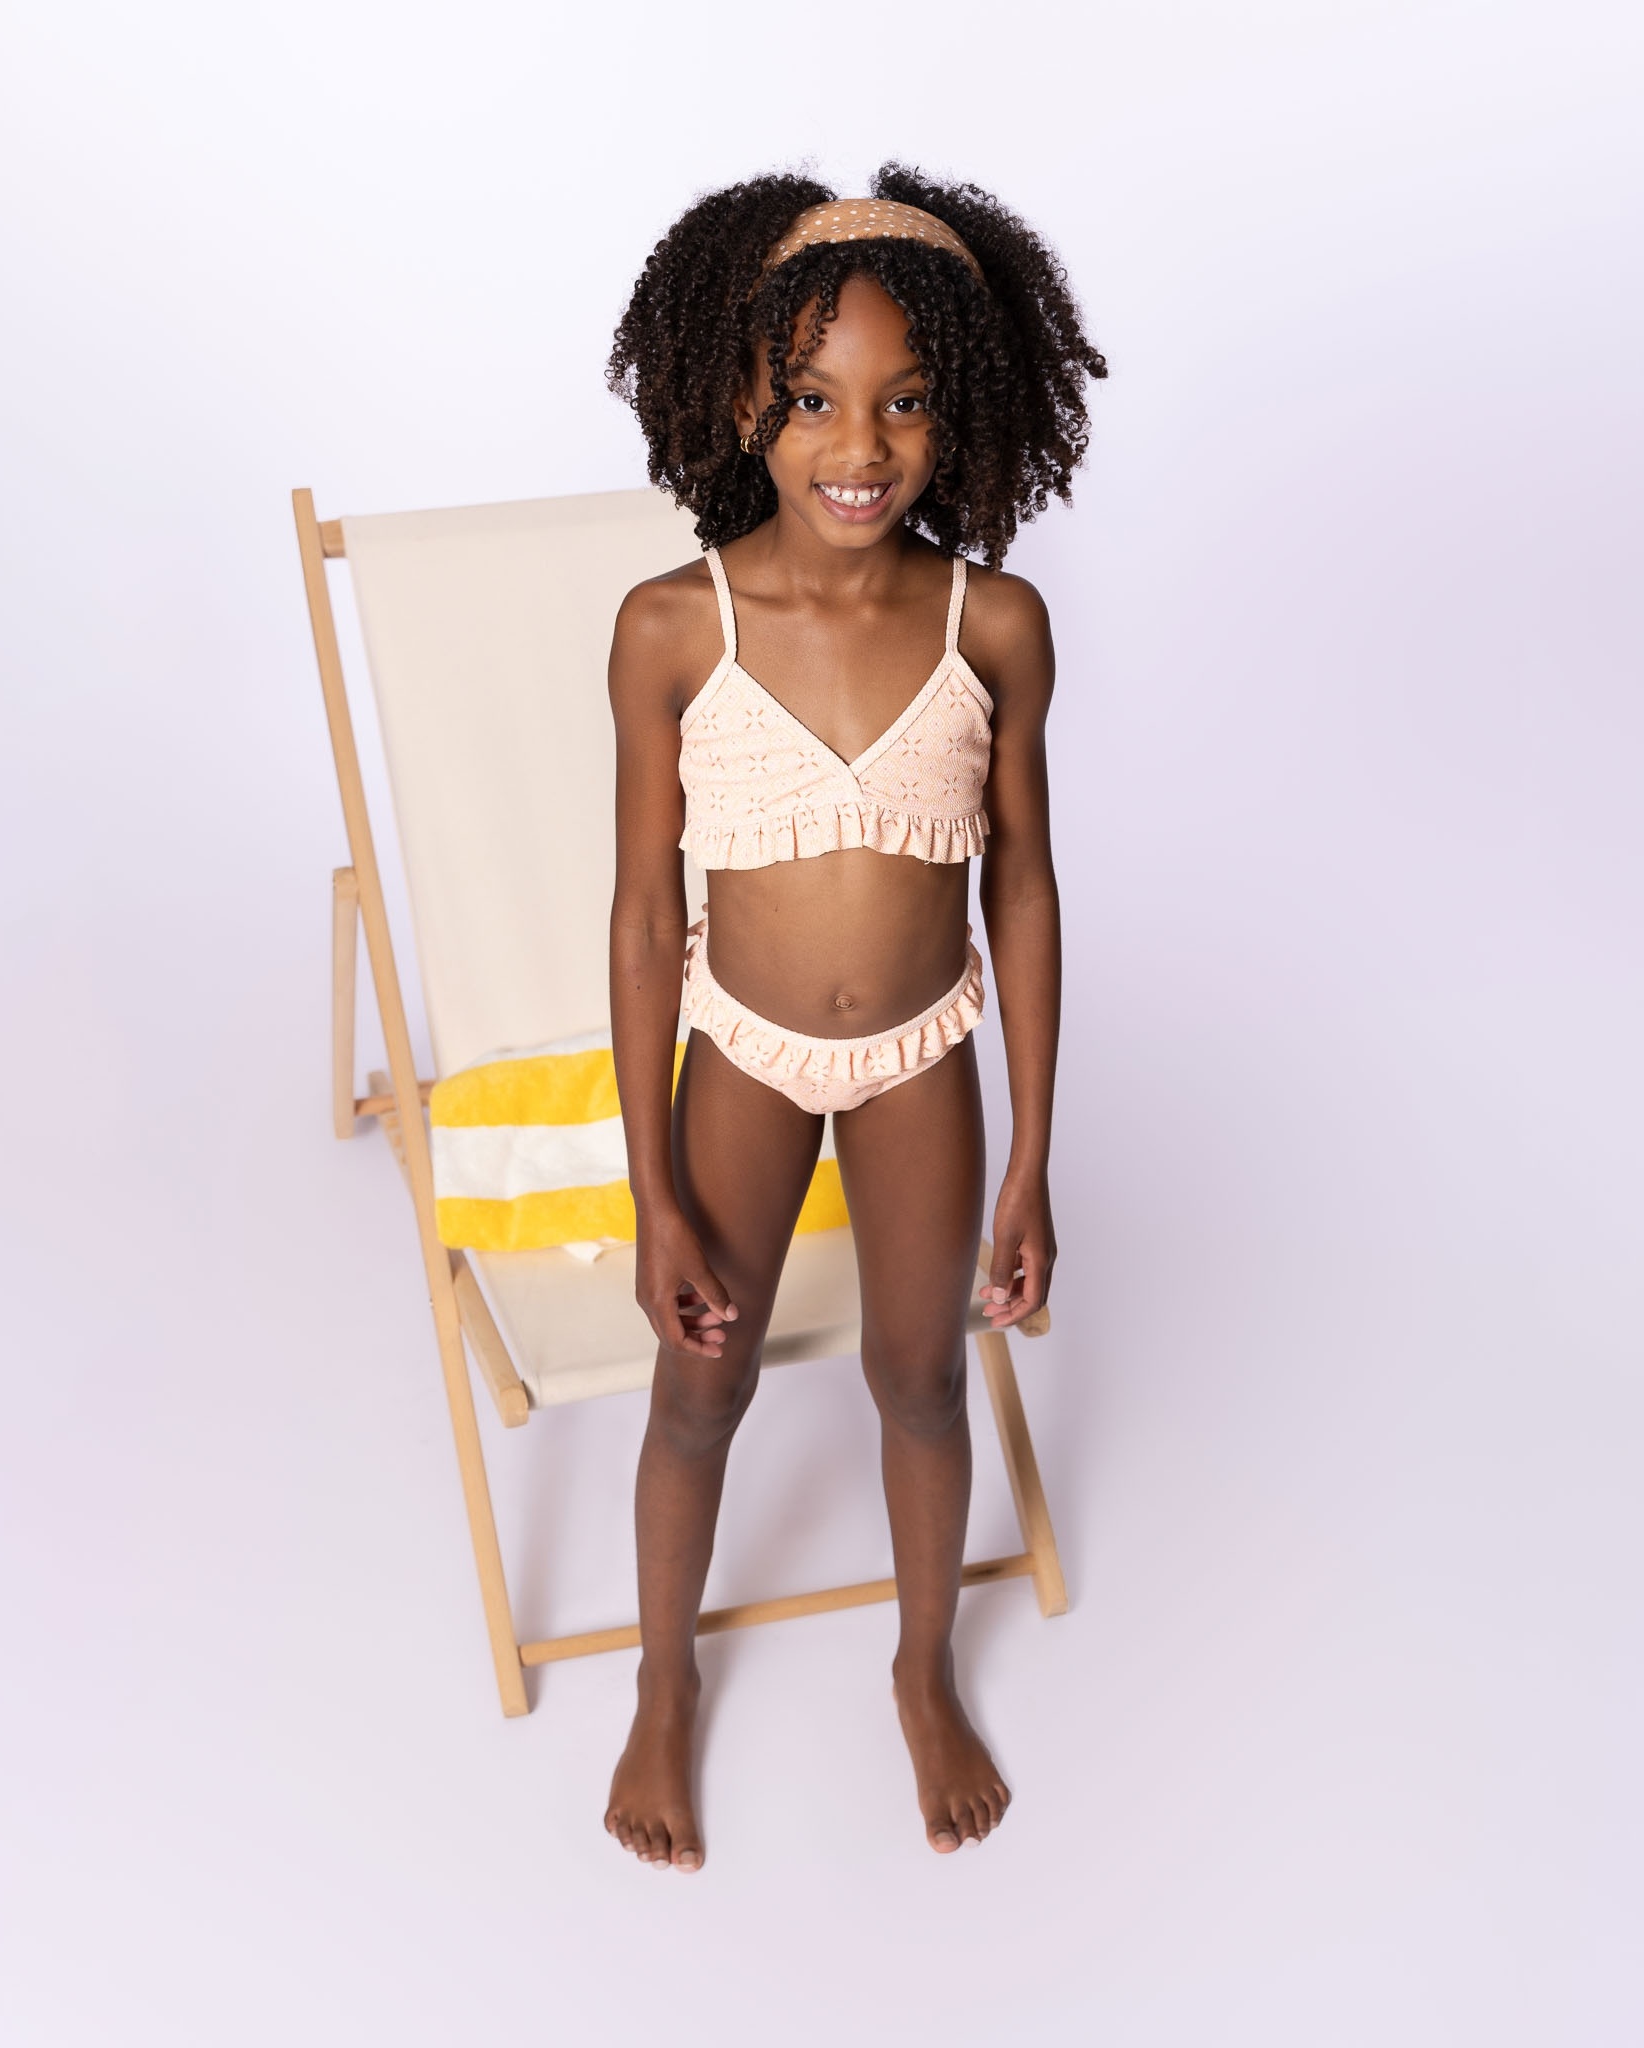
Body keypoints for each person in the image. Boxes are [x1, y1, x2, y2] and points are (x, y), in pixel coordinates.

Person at [601, 166, 1105, 1868]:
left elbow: (1022, 891)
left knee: (920, 1378)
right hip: (739, 1053)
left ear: (959, 408)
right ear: (743, 397)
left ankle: (922, 1664)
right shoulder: (673, 629)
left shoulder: (995, 625)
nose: (859, 447)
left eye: (904, 401)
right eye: (812, 400)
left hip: (919, 1061)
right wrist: (655, 1193)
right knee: (699, 1385)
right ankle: (663, 1681)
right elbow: (640, 916)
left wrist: (1031, 1160)